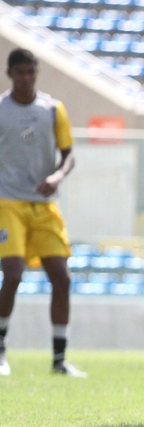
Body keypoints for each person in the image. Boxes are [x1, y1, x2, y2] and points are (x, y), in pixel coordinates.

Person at [0, 48, 85, 378]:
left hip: (44, 205)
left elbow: (69, 154)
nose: (26, 78)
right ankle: (2, 351)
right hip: (8, 203)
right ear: (10, 74)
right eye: (20, 72)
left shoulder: (52, 109)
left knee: (62, 279)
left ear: (37, 73)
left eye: (31, 72)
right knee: (14, 274)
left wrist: (57, 176)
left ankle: (59, 359)